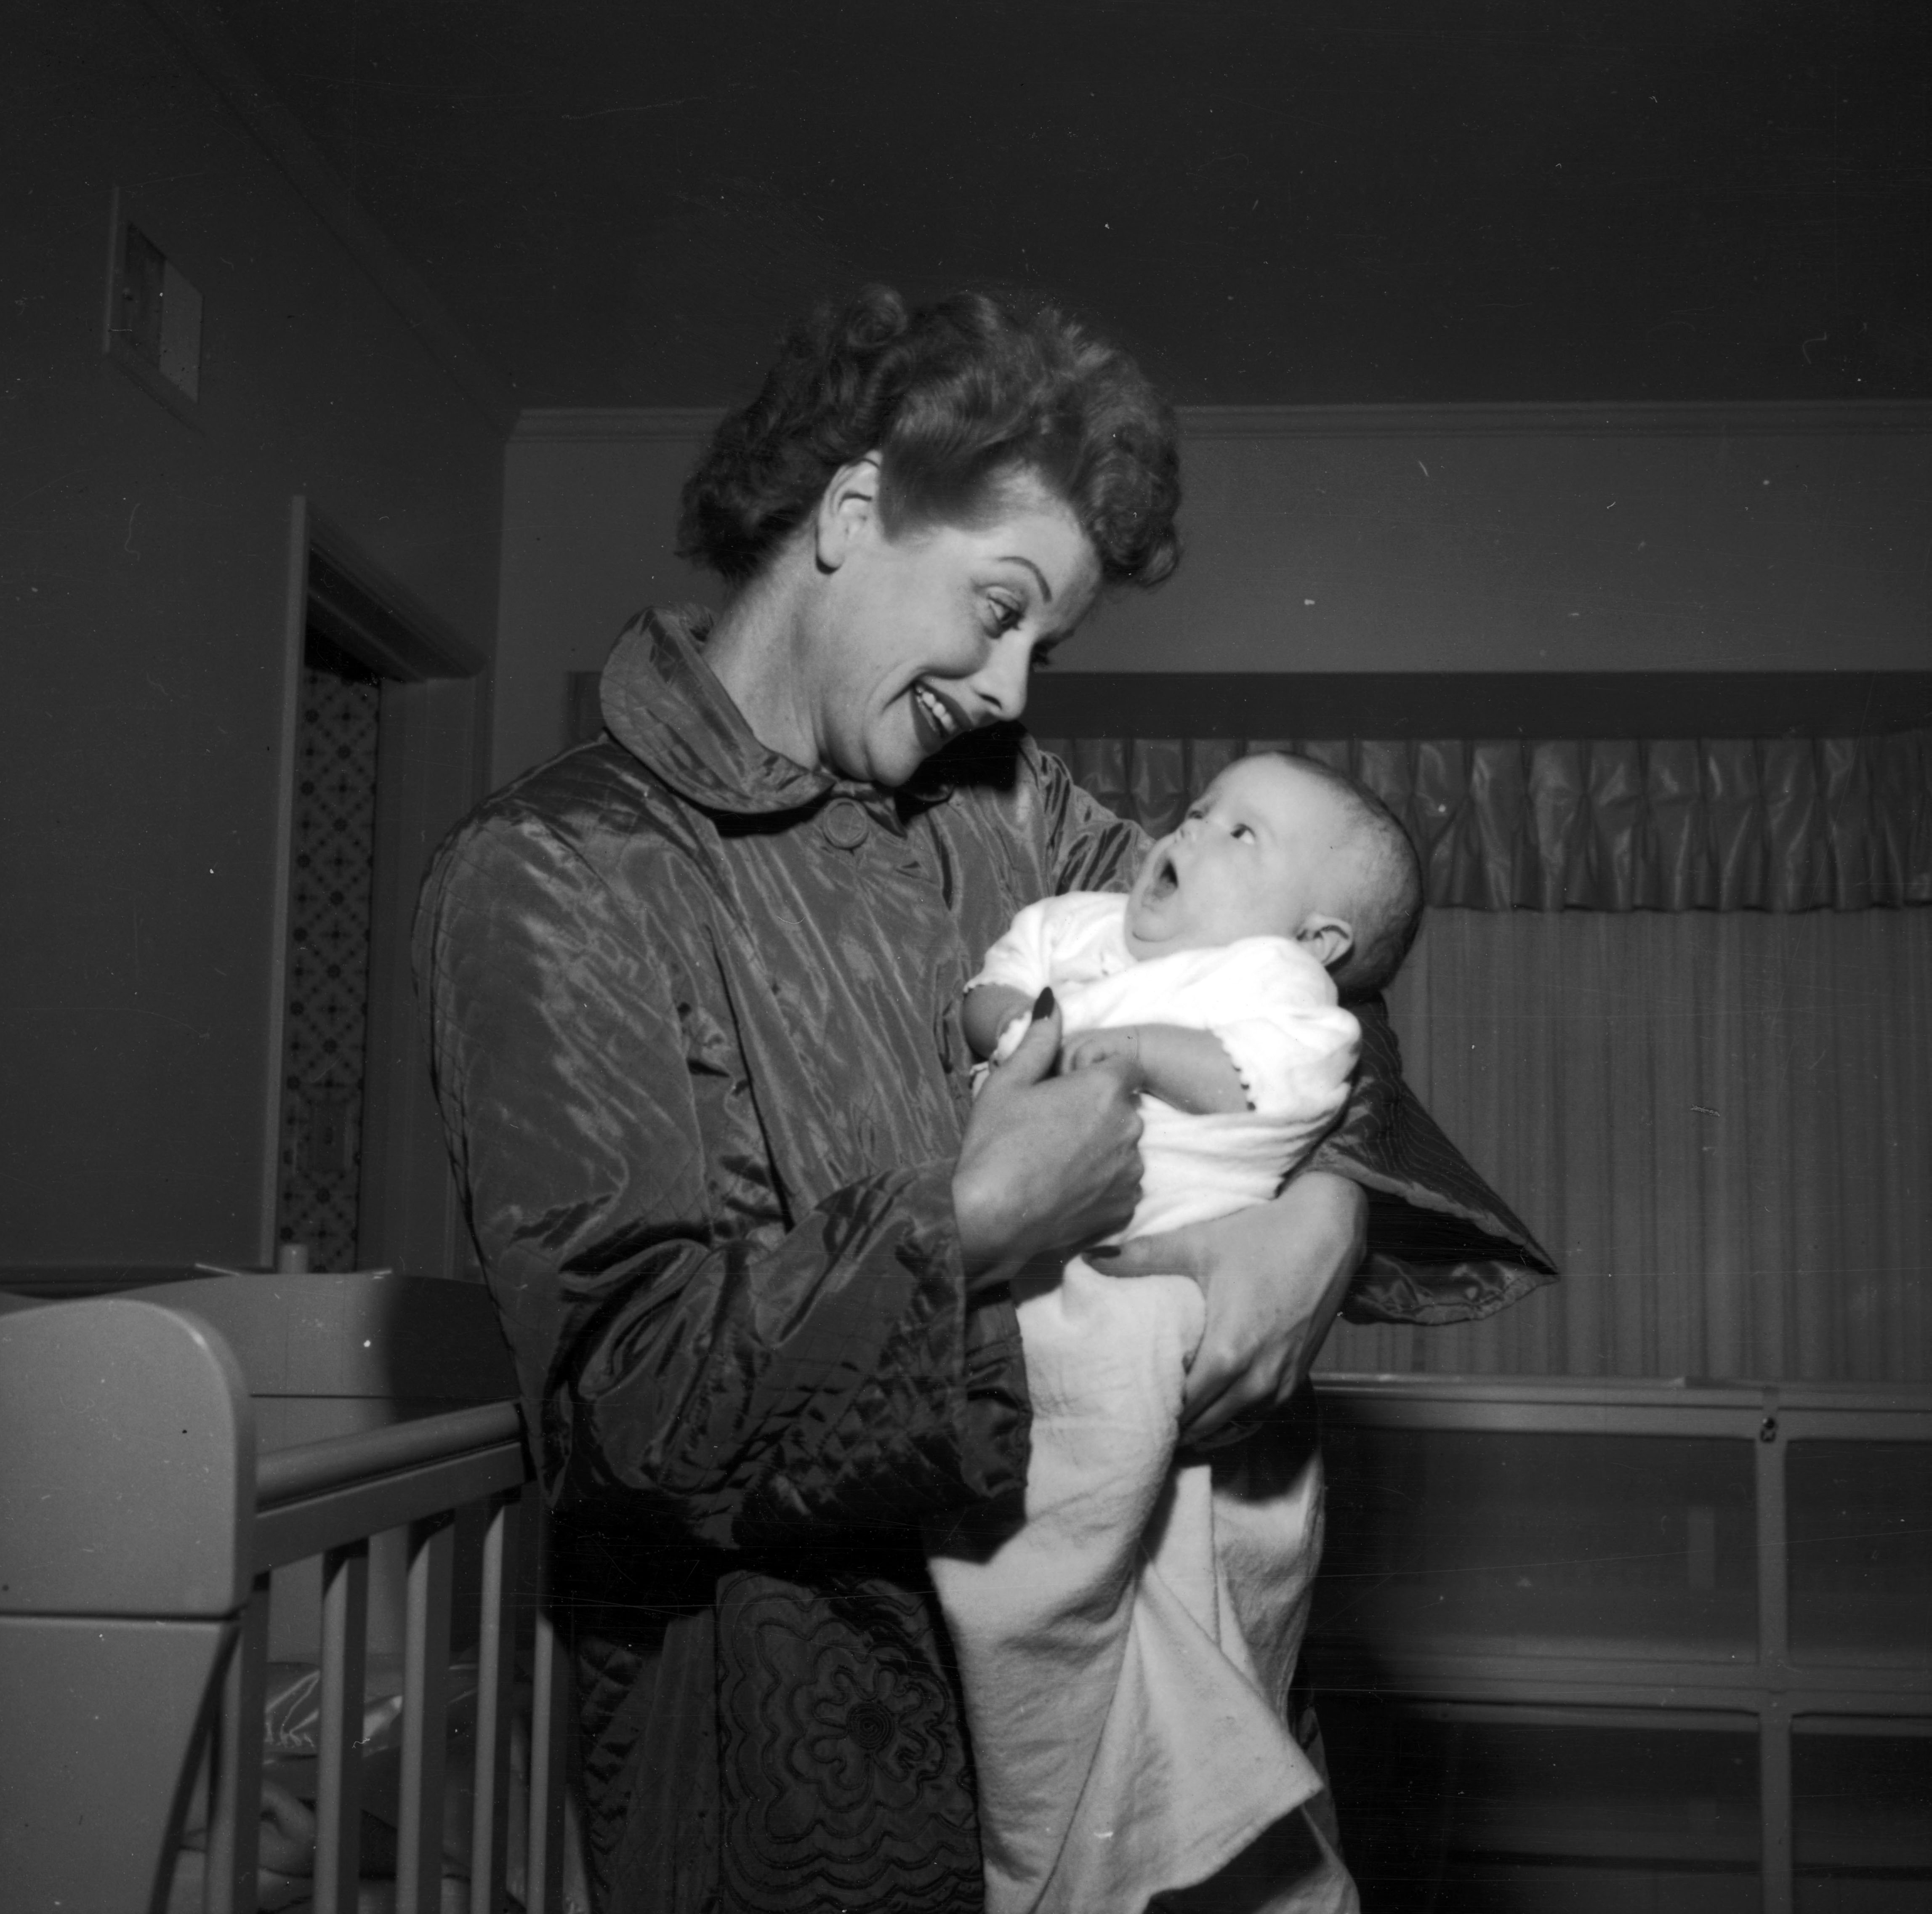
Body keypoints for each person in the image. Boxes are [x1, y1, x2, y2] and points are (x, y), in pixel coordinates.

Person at [413, 285, 1552, 1914]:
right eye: (995, 607)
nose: (1015, 691)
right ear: (853, 508)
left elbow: (1298, 992)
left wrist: (1319, 1215)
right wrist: (974, 1219)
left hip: (1135, 1696)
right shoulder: (548, 876)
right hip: (791, 1760)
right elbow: (619, 1403)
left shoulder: (1014, 821)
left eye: (1048, 641)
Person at [930, 752, 1424, 1914]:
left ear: (1317, 938)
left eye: (1242, 835)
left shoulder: (1275, 983)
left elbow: (1295, 1077)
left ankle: (1151, 1823)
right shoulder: (1080, 921)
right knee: (1060, 1557)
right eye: (1201, 809)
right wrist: (1025, 1020)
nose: (1194, 831)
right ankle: (1068, 1792)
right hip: (1038, 1285)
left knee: (1194, 1558)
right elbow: (988, 1002)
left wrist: (1150, 1057)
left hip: (1177, 1297)